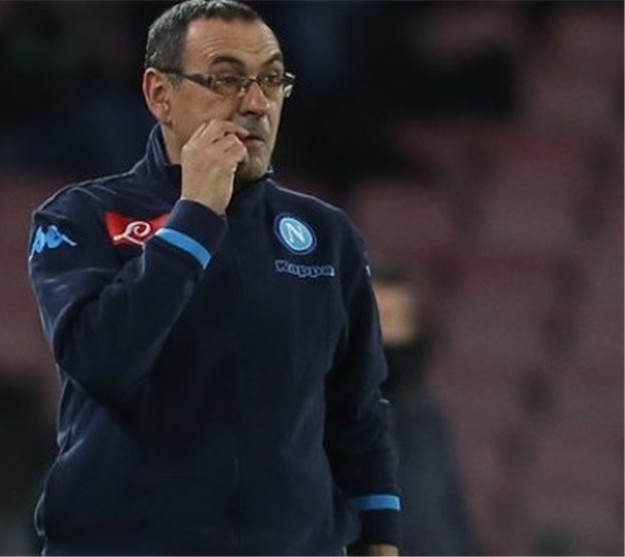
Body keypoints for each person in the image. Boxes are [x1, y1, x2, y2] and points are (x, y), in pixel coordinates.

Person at [27, 1, 401, 554]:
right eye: (227, 80)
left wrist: (381, 543)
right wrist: (196, 215)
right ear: (160, 94)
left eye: (271, 80)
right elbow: (104, 363)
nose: (255, 104)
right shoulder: (81, 217)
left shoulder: (327, 236)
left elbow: (357, 414)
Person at [373, 269, 479, 555]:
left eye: (396, 320)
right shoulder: (317, 410)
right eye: (376, 318)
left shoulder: (424, 413)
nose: (385, 334)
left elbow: (449, 509)